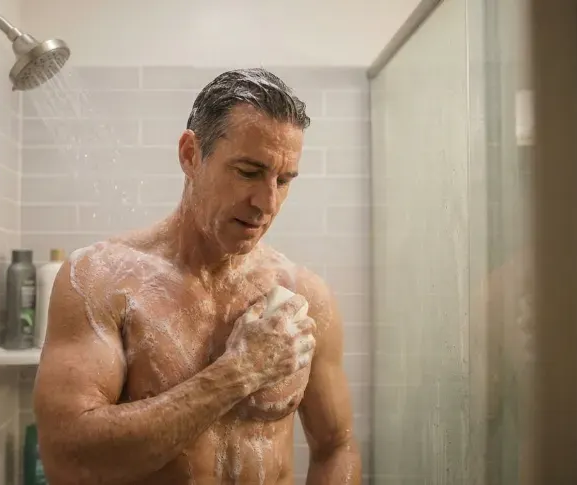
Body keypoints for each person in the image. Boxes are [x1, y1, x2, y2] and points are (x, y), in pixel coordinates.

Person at [33, 68, 361, 485]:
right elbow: (69, 459)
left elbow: (337, 446)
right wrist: (239, 371)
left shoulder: (305, 298)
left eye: (283, 180)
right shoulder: (101, 280)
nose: (267, 202)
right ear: (190, 154)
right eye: (248, 172)